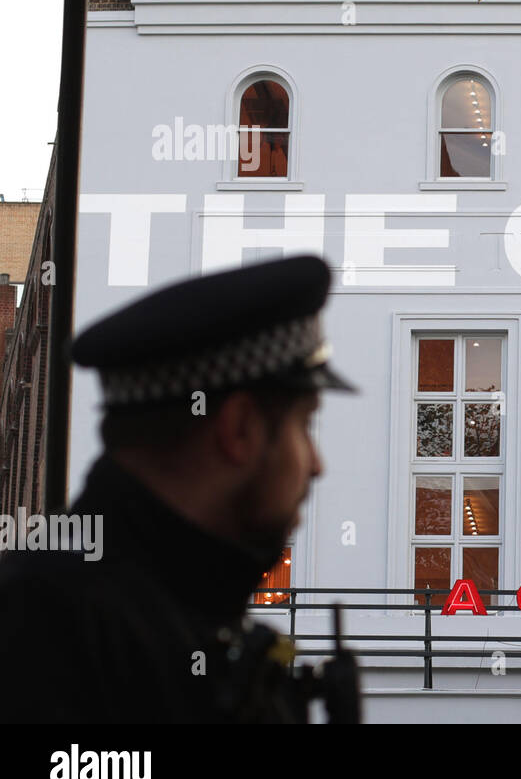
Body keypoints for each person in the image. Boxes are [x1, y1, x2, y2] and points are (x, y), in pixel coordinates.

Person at [0, 255, 359, 723]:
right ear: (240, 429)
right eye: (304, 425)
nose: (316, 465)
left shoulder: (142, 612)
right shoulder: (49, 628)